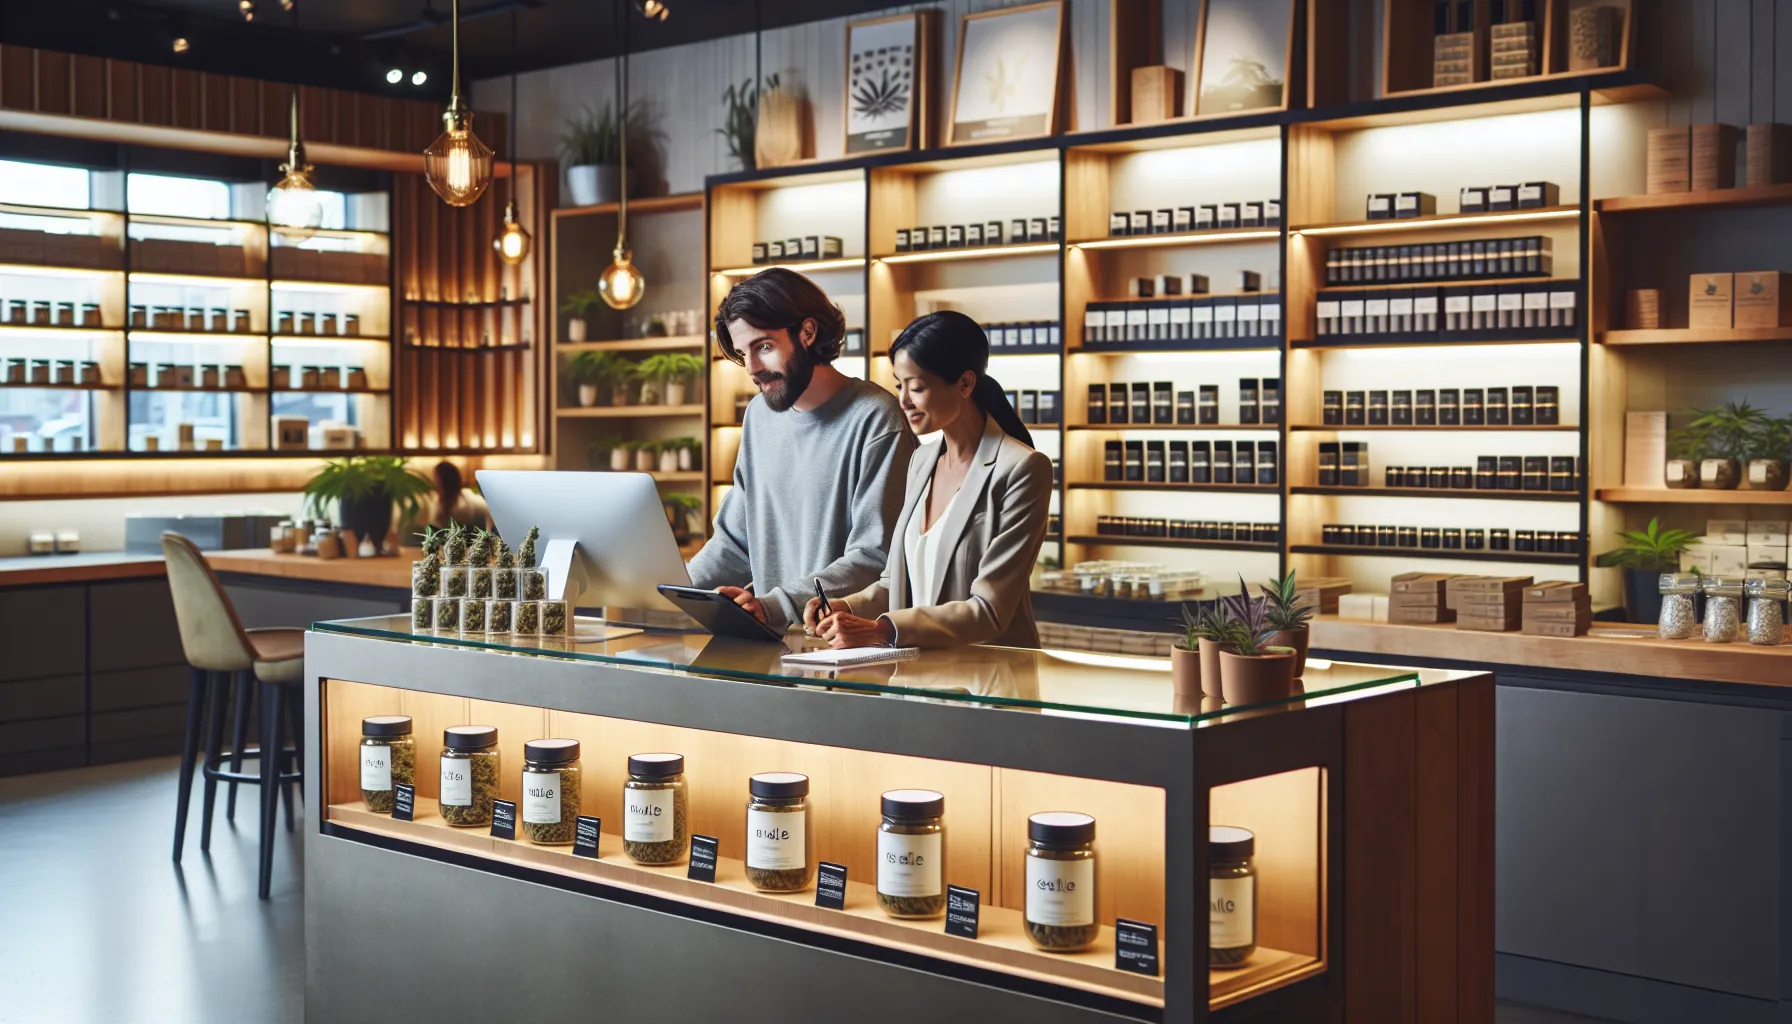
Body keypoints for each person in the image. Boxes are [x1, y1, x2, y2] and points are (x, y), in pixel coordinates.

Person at [803, 311, 1052, 649]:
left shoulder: (1022, 468)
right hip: (919, 671)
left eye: (917, 387)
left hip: (991, 674)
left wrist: (882, 631)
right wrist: (844, 606)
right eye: (899, 385)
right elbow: (894, 583)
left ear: (965, 384)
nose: (904, 401)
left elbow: (990, 610)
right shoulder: (921, 460)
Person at [687, 268, 916, 631]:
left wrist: (776, 606)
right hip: (771, 640)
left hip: (847, 642)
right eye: (743, 353)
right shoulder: (759, 415)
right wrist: (670, 588)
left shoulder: (876, 418)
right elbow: (733, 545)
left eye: (764, 347)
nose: (752, 369)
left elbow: (874, 557)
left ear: (808, 332)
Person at [404, 460, 490, 538]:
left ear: (445, 481)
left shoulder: (467, 504)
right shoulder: (437, 501)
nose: (434, 481)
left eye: (436, 478)